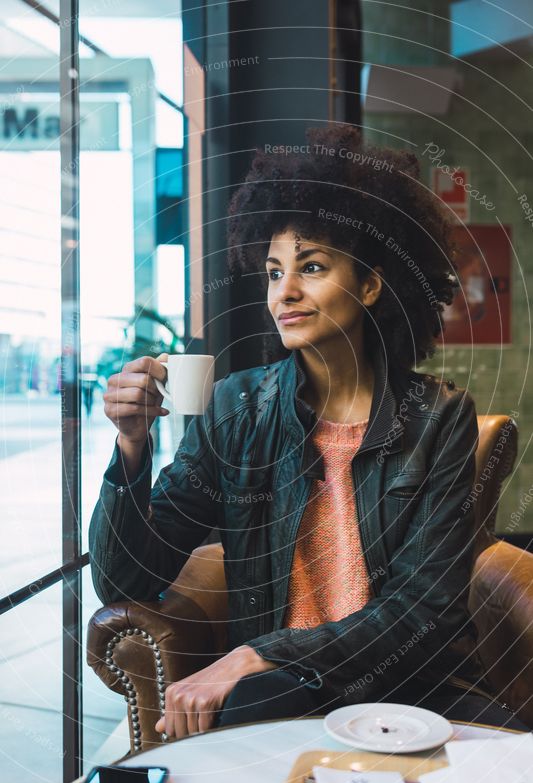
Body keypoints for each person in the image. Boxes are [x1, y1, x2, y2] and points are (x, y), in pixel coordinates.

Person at [89, 125, 529, 740]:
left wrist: (254, 654)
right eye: (273, 272)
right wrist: (132, 446)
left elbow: (422, 608)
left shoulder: (439, 417)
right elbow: (127, 579)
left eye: (312, 267)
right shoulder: (238, 409)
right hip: (287, 687)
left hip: (411, 684)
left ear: (372, 284)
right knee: (229, 721)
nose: (284, 292)